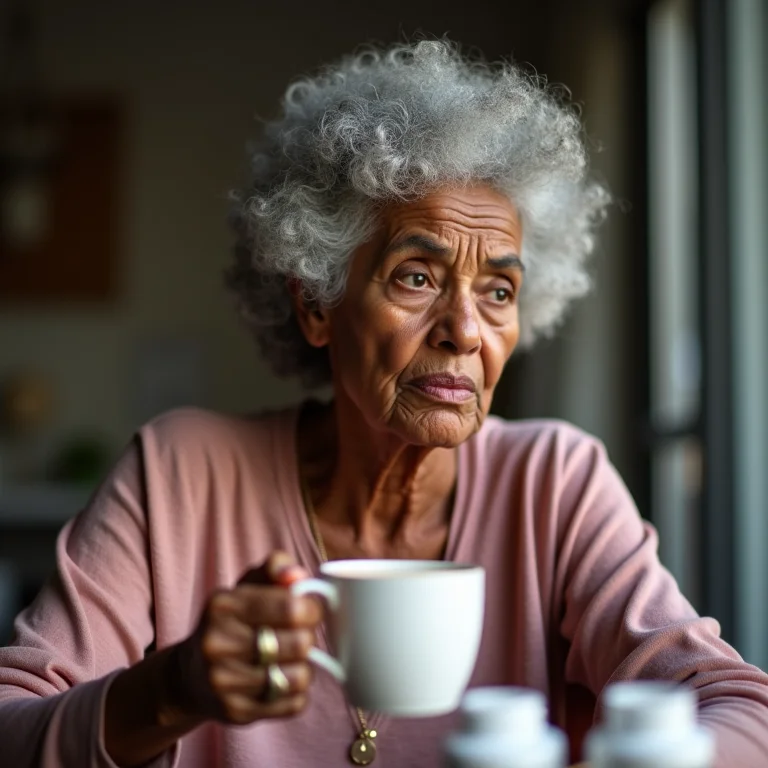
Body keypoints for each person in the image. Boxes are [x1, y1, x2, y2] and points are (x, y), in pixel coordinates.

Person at [0, 39, 766, 768]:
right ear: (317, 306)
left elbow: (736, 707)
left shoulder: (554, 483)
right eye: (416, 277)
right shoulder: (179, 476)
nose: (465, 331)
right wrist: (169, 691)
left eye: (499, 291)